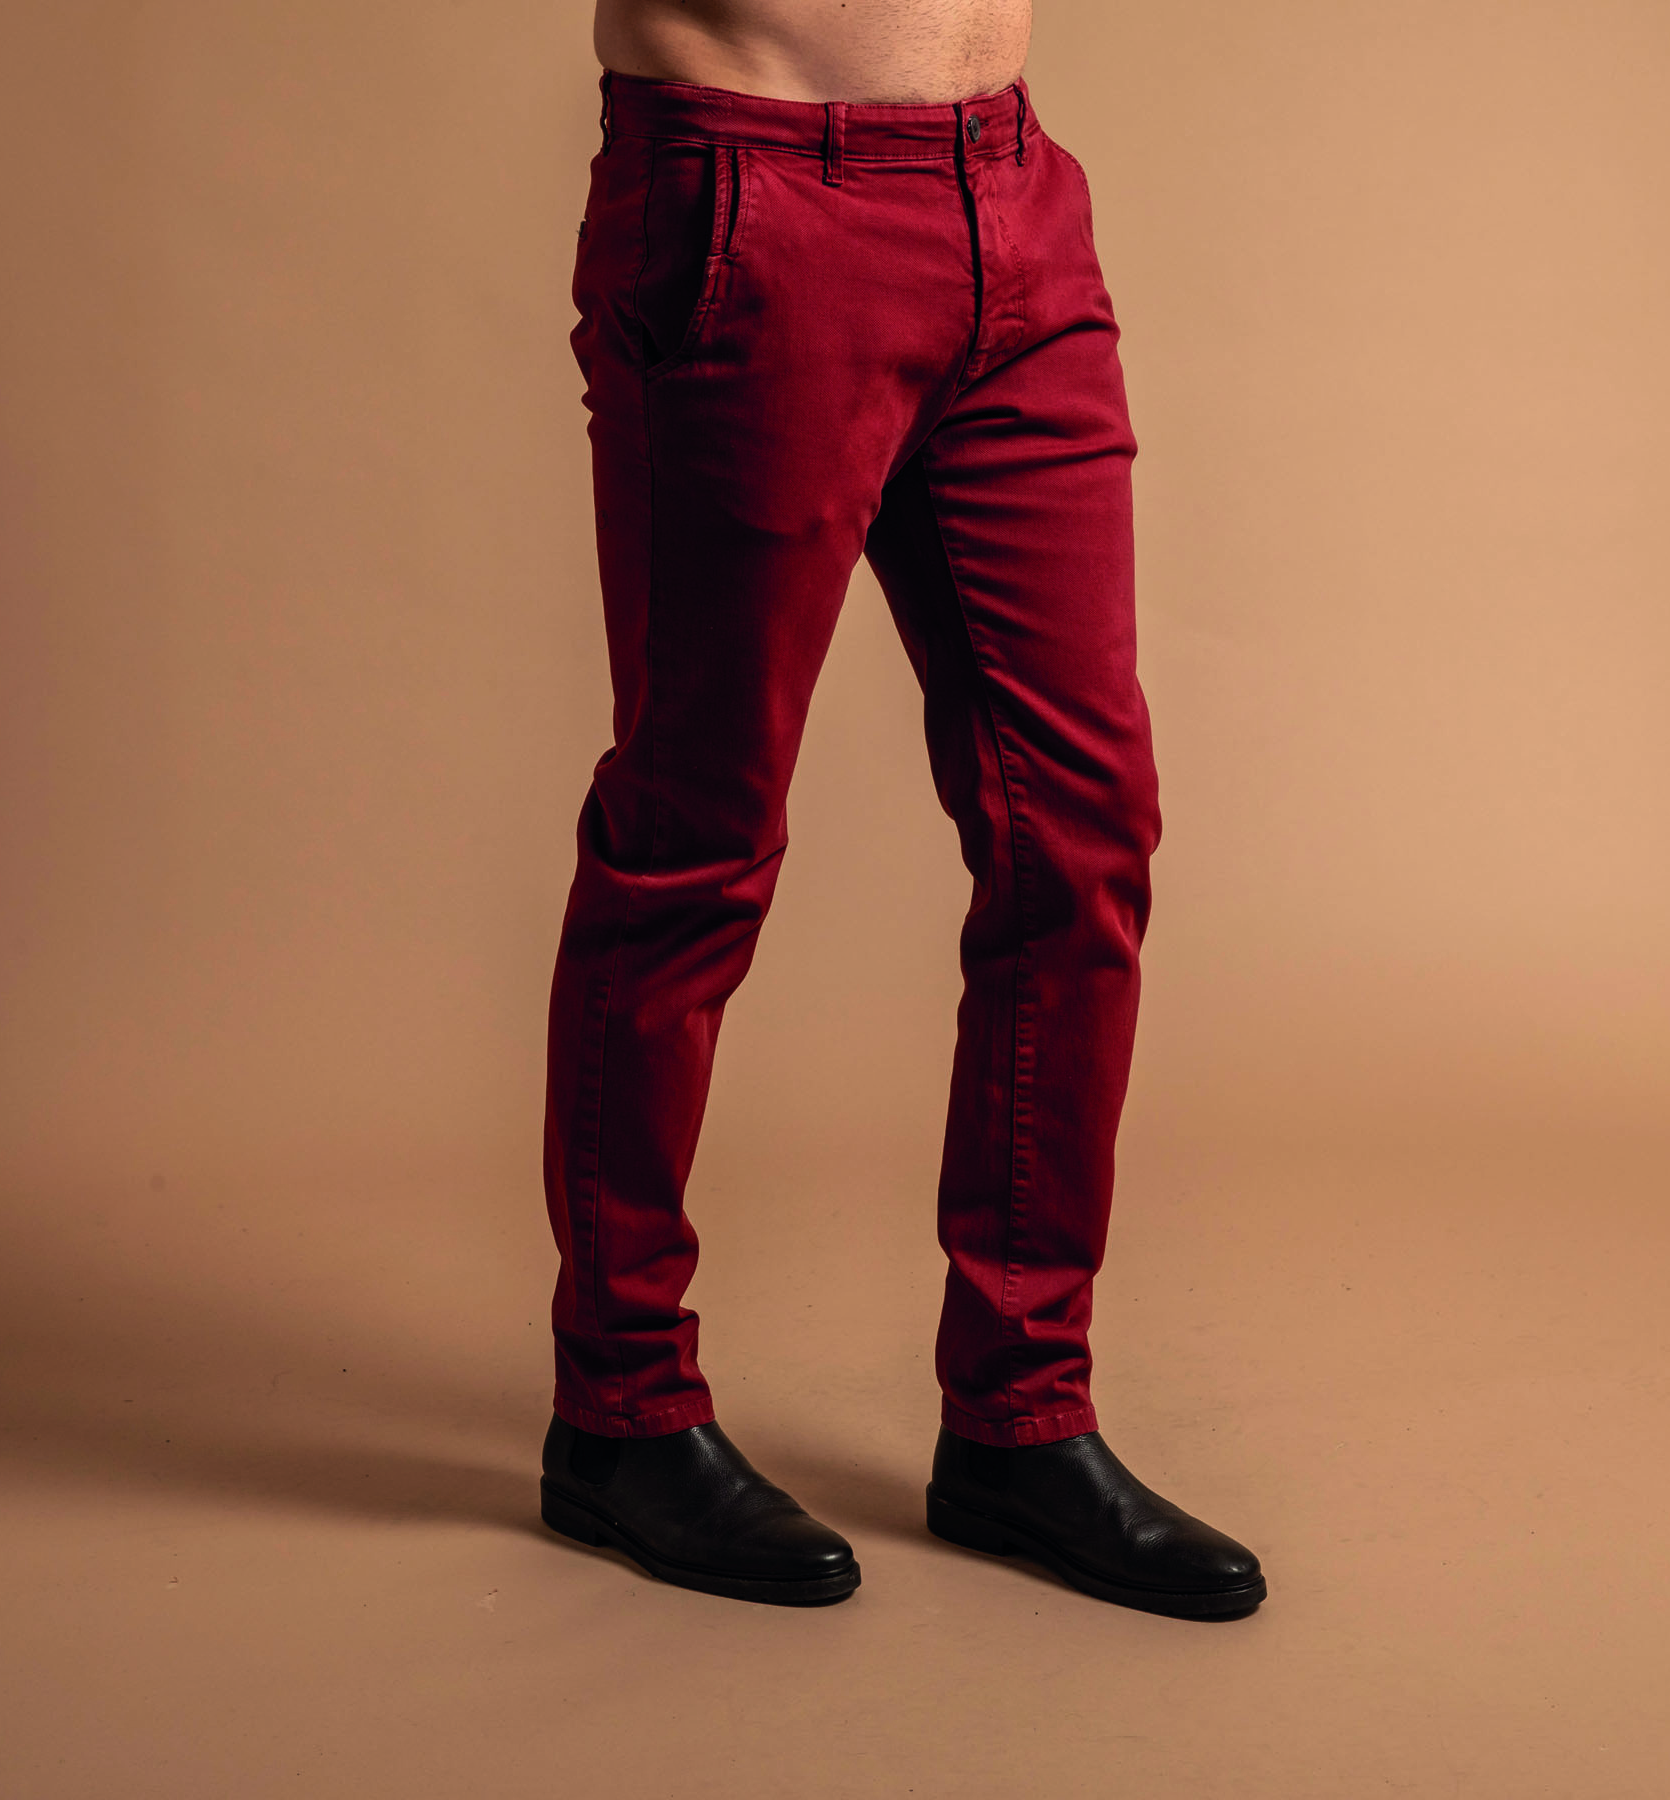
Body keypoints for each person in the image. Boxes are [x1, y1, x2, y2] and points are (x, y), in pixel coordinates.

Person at [536, 0, 1267, 1618]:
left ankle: (1021, 1418)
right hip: (754, 190)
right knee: (697, 837)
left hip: (1012, 192)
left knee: (1082, 830)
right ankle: (619, 1408)